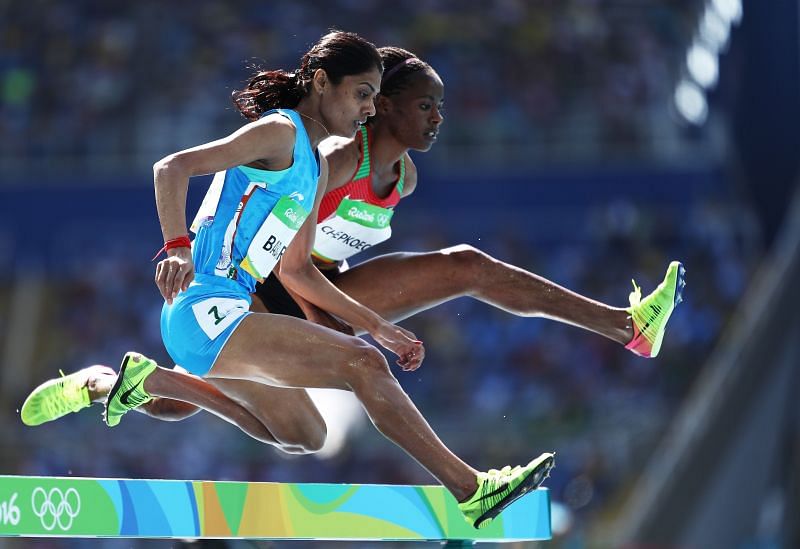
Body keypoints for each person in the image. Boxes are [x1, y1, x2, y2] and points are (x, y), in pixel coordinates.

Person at [21, 31, 554, 530]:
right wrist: (177, 247)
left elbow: (298, 271)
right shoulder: (279, 132)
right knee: (361, 366)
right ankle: (472, 491)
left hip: (231, 311)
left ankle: (120, 383)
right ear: (321, 82)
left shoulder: (315, 170)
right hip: (203, 305)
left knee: (303, 435)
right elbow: (171, 168)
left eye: (375, 98)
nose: (370, 109)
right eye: (362, 94)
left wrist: (377, 327)